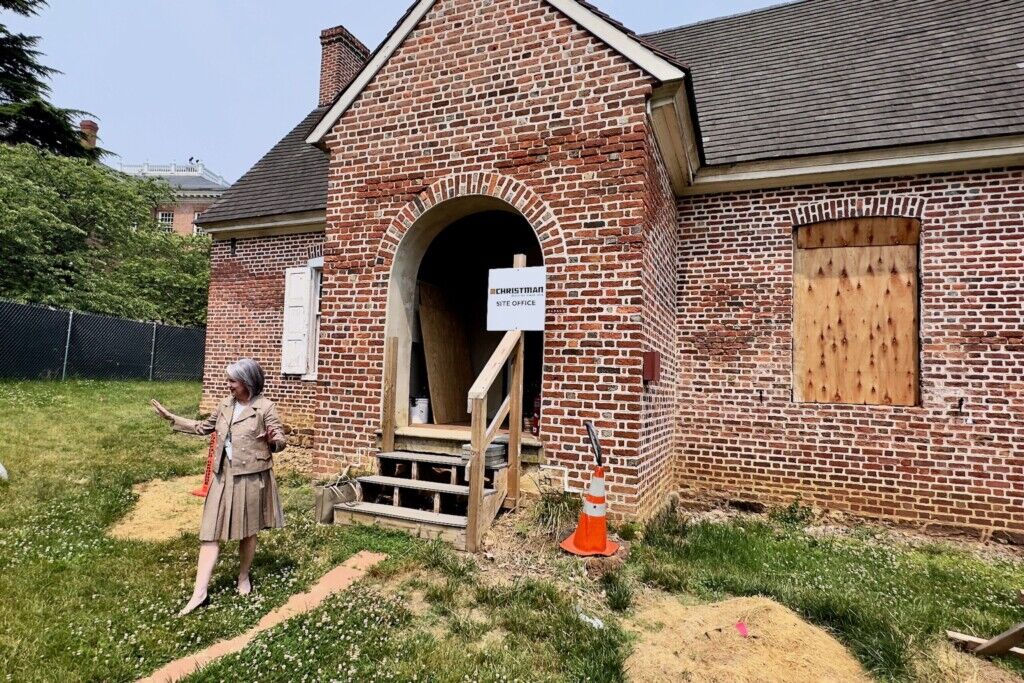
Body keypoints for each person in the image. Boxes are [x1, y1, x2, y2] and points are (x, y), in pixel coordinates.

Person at [151, 358, 287, 616]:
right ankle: (199, 593)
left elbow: (279, 438)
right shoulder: (225, 405)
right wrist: (173, 418)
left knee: (248, 531)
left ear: (247, 383)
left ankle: (243, 577)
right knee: (209, 532)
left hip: (251, 476)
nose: (228, 386)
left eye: (232, 381)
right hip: (222, 476)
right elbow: (204, 427)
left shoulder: (265, 408)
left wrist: (273, 440)